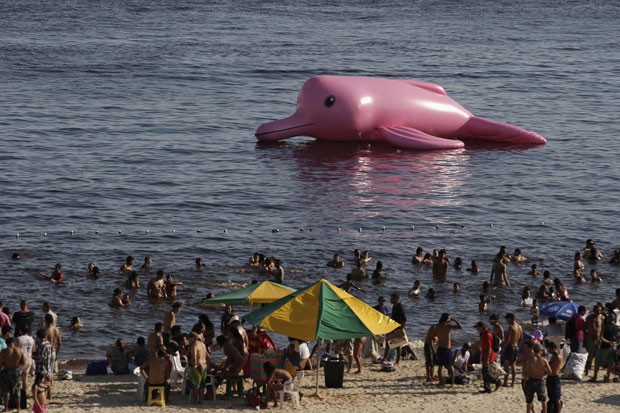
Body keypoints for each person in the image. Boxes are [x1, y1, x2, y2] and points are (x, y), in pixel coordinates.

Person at [522, 342, 551, 413]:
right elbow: (550, 371)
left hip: (531, 380)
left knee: (529, 401)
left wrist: (525, 382)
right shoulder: (544, 360)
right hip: (540, 380)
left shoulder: (530, 359)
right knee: (543, 400)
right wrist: (544, 372)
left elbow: (526, 372)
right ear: (540, 351)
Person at [590, 314, 619, 383]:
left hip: (604, 347)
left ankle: (595, 377)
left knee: (597, 361)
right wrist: (613, 342)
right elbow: (617, 338)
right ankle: (607, 377)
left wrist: (608, 342)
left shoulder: (604, 326)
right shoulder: (616, 327)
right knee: (610, 363)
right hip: (613, 347)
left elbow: (600, 337)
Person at [434, 313, 462, 385]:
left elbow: (434, 335)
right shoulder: (448, 327)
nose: (450, 320)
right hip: (446, 348)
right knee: (450, 366)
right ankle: (452, 382)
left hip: (440, 347)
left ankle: (440, 382)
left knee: (440, 366)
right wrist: (454, 319)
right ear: (446, 319)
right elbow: (460, 327)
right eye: (449, 318)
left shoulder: (438, 326)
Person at [474, 321, 502, 393]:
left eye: (477, 327)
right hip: (485, 355)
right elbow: (481, 343)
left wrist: (487, 359)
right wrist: (473, 346)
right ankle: (487, 389)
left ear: (481, 327)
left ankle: (497, 381)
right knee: (484, 372)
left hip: (489, 356)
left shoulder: (487, 335)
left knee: (485, 373)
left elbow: (489, 348)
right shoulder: (483, 334)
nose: (476, 329)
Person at [0, 337, 26, 413]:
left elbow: (1, 364)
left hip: (6, 371)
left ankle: (6, 408)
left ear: (6, 343)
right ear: (13, 342)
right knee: (17, 390)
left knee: (6, 390)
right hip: (16, 371)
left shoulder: (3, 351)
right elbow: (23, 362)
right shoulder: (20, 350)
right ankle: (18, 408)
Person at [383, 293, 407, 365]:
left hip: (398, 328)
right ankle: (385, 358)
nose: (391, 300)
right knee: (388, 342)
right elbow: (393, 317)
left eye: (392, 298)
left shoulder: (400, 307)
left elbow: (404, 319)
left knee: (397, 345)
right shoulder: (394, 306)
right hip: (393, 327)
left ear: (396, 298)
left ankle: (397, 361)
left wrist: (401, 329)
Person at [503, 313, 523, 387]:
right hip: (516, 347)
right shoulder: (520, 327)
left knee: (506, 365)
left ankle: (505, 382)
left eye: (506, 319)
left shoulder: (511, 327)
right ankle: (512, 383)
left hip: (510, 347)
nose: (506, 321)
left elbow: (508, 339)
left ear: (510, 319)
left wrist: (503, 348)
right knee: (513, 365)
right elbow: (521, 338)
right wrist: (518, 346)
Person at [15, 327, 34, 391]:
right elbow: (33, 350)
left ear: (21, 331)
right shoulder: (31, 339)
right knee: (25, 379)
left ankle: (16, 393)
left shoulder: (18, 339)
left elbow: (15, 350)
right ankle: (24, 393)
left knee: (16, 379)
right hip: (29, 360)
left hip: (21, 360)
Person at [546, 341, 563, 413]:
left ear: (553, 348)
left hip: (554, 378)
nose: (548, 351)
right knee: (551, 397)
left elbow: (550, 367)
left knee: (556, 398)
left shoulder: (557, 357)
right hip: (551, 377)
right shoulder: (554, 356)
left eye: (549, 349)